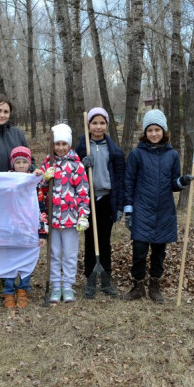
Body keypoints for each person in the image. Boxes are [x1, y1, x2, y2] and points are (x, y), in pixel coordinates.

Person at [121, 109, 194, 303]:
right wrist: (129, 211)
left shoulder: (172, 155)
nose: (154, 134)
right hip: (142, 209)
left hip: (164, 210)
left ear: (163, 131)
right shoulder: (137, 154)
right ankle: (138, 285)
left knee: (159, 252)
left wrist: (184, 180)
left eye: (157, 130)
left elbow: (173, 183)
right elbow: (128, 183)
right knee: (139, 250)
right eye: (150, 130)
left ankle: (154, 286)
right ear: (145, 132)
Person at [0, 94, 34, 297]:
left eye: (6, 111)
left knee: (17, 237)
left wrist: (31, 174)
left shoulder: (17, 133)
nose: (2, 115)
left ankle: (19, 278)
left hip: (19, 199)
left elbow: (30, 159)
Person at [75, 107, 125, 299]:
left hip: (106, 199)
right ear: (89, 125)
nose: (98, 126)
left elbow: (120, 180)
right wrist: (81, 163)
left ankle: (106, 278)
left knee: (104, 241)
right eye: (94, 123)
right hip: (87, 199)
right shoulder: (81, 147)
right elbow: (73, 171)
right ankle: (90, 278)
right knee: (89, 241)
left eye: (102, 123)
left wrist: (119, 206)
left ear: (107, 125)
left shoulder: (115, 151)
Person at [40, 123, 90, 303]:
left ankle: (68, 285)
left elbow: (83, 192)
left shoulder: (76, 165)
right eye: (57, 144)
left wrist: (83, 215)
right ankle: (55, 285)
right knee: (54, 253)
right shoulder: (47, 164)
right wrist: (44, 179)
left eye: (64, 144)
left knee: (69, 254)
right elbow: (40, 191)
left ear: (69, 145)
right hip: (53, 220)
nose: (60, 148)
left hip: (71, 218)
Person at [1, 146, 47, 309]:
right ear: (13, 164)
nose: (21, 165)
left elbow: (42, 208)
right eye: (18, 162)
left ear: (29, 163)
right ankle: (8, 291)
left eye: (24, 162)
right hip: (11, 230)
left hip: (30, 230)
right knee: (9, 261)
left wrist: (42, 233)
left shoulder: (35, 182)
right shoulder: (6, 181)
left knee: (27, 260)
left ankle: (23, 290)